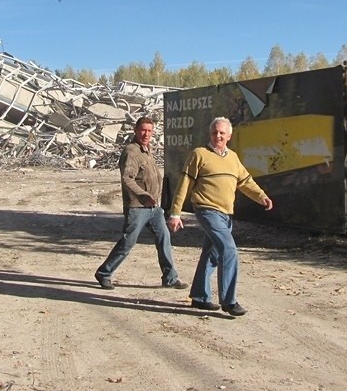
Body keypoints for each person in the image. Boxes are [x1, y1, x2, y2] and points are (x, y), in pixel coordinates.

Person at [168, 117, 274, 317]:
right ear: (210, 134)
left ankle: (199, 296)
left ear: (229, 136)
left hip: (226, 213)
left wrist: (261, 196)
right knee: (229, 250)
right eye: (214, 132)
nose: (218, 136)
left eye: (222, 133)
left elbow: (245, 181)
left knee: (213, 253)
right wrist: (175, 212)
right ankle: (229, 301)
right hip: (206, 209)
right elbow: (184, 184)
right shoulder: (199, 154)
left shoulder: (233, 157)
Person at [94, 117, 188, 291]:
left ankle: (170, 277)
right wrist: (143, 195)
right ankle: (104, 273)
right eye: (143, 130)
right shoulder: (131, 152)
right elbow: (127, 179)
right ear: (135, 130)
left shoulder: (146, 150)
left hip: (154, 208)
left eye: (150, 131)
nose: (146, 134)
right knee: (128, 242)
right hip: (137, 207)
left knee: (164, 238)